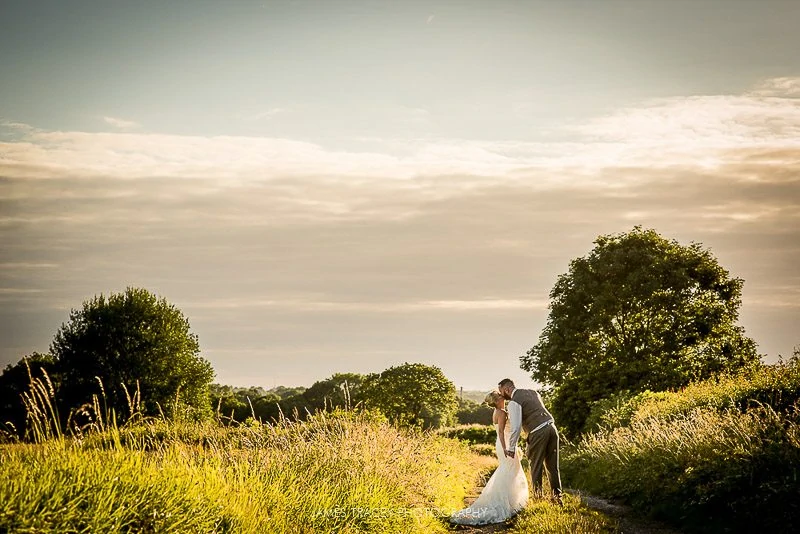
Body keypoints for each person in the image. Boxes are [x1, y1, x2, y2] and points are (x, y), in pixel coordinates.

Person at [450, 390, 528, 525]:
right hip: (505, 445)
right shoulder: (502, 413)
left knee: (510, 472)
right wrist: (507, 449)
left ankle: (511, 501)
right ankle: (506, 503)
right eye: (499, 396)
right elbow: (502, 433)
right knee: (509, 472)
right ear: (497, 401)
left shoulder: (498, 412)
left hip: (504, 444)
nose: (502, 396)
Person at [498, 378, 563, 506]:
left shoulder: (514, 402)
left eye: (501, 392)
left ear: (507, 389)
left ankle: (538, 499)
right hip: (552, 428)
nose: (501, 395)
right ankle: (558, 498)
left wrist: (511, 448)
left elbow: (516, 427)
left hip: (538, 432)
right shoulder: (533, 392)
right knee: (552, 466)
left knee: (535, 466)